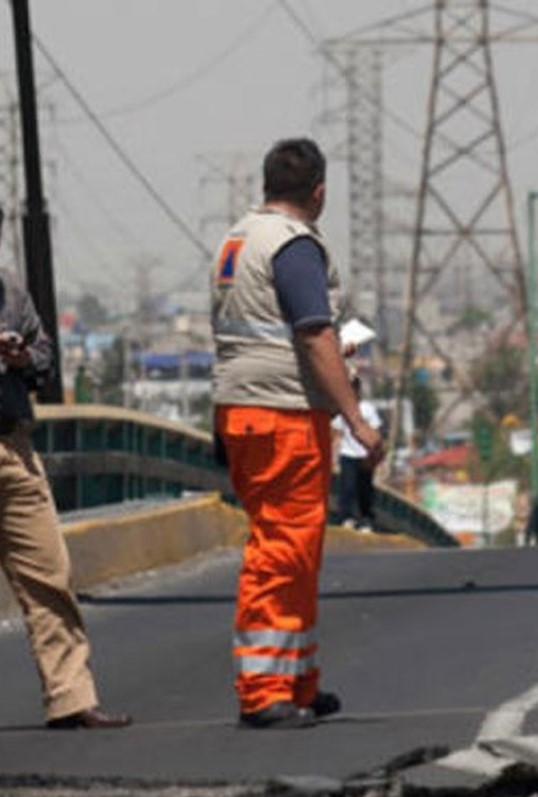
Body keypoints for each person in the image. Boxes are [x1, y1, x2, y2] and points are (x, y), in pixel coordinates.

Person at [212, 139, 385, 729]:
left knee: (297, 550)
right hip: (281, 415)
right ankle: (264, 691)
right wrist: (357, 421)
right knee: (281, 551)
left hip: (246, 409)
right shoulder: (293, 247)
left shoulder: (239, 237)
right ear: (318, 192)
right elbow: (314, 336)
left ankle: (299, 682)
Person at [0, 188, 131, 735]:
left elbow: (43, 358)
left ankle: (70, 697)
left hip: (13, 446)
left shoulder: (9, 290)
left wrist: (19, 356)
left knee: (49, 577)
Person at [331, 374, 382, 531]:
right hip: (348, 454)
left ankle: (366, 519)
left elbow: (376, 431)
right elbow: (336, 435)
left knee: (365, 488)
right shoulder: (342, 410)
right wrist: (333, 459)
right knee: (348, 488)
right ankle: (347, 517)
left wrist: (375, 454)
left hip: (365, 455)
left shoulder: (367, 408)